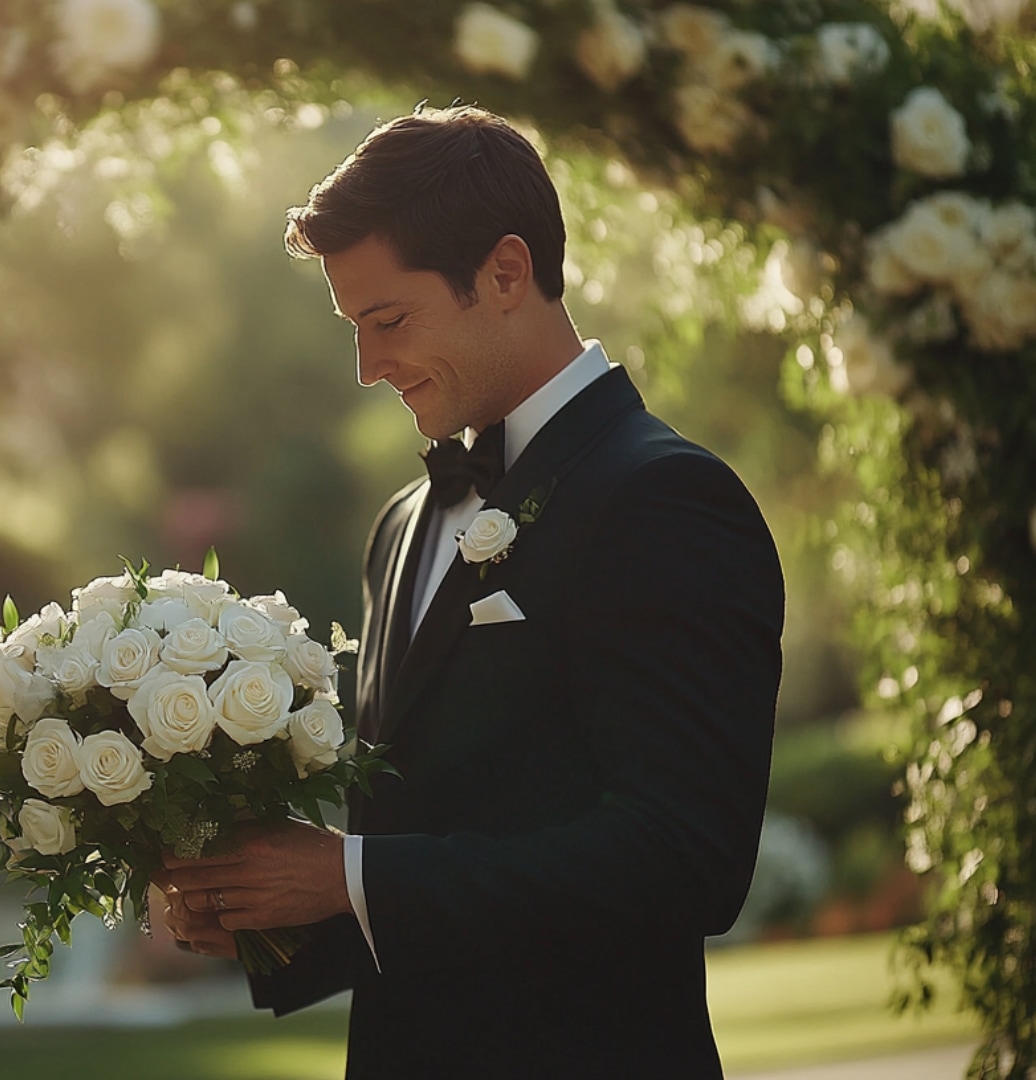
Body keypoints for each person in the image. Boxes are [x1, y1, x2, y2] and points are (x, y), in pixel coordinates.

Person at [152, 104, 786, 1078]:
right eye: (354, 330)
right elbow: (433, 840)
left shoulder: (664, 498)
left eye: (388, 321)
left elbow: (682, 860)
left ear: (504, 272)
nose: (367, 368)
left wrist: (351, 876)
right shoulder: (402, 524)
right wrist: (266, 909)